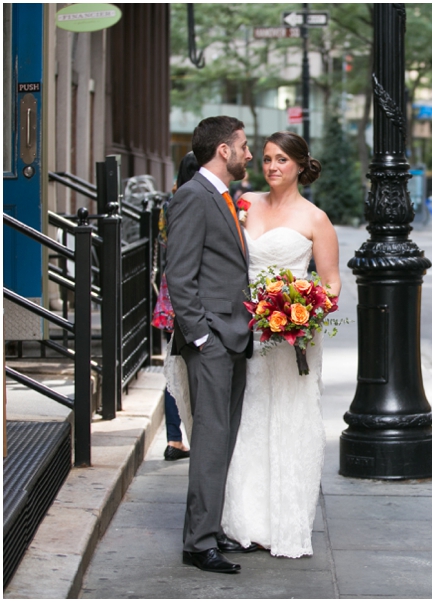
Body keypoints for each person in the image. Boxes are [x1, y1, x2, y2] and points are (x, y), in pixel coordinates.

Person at [219, 130, 341, 558]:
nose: (272, 167)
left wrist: (299, 310)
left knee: (290, 418)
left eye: (282, 160)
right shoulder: (246, 202)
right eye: (267, 159)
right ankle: (245, 521)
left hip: (293, 338)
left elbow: (331, 284)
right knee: (251, 417)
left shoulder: (315, 219)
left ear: (300, 165)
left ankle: (285, 523)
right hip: (248, 327)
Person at [165, 116, 255, 574]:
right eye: (243, 146)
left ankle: (209, 529)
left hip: (233, 337)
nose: (249, 154)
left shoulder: (221, 196)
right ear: (223, 150)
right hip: (212, 341)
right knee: (210, 440)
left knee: (222, 439)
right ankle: (198, 544)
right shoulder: (192, 197)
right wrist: (202, 336)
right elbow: (179, 275)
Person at [151, 151, 200, 461]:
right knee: (187, 366)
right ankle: (192, 434)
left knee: (173, 364)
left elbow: (163, 241)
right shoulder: (199, 202)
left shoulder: (168, 206)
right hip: (189, 291)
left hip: (170, 290)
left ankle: (174, 438)